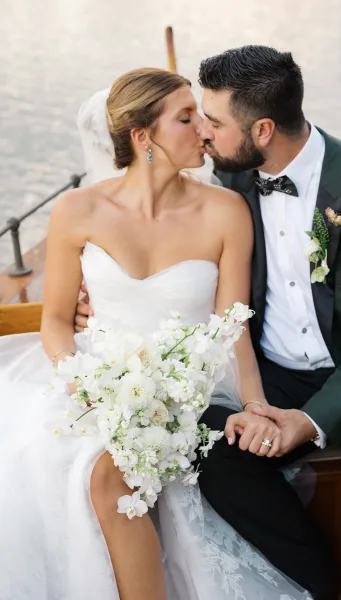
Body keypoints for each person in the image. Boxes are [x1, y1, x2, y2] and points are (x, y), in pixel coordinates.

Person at [75, 45, 341, 600]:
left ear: (262, 129)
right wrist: (92, 294)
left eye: (212, 122)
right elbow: (165, 247)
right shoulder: (229, 183)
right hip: (268, 368)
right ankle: (314, 577)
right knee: (207, 445)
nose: (203, 136)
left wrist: (309, 421)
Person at [0, 67, 314, 600]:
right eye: (187, 118)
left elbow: (232, 323)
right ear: (143, 137)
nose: (205, 130)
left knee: (109, 473)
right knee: (88, 467)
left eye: (203, 117)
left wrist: (255, 402)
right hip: (97, 377)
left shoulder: (225, 210)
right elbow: (55, 320)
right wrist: (80, 382)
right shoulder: (79, 209)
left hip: (192, 382)